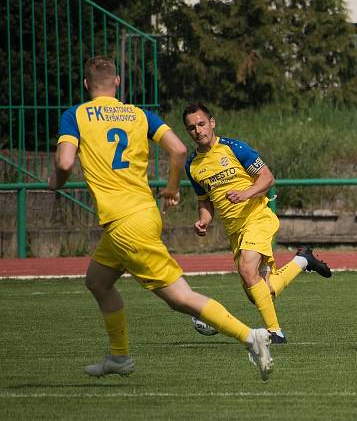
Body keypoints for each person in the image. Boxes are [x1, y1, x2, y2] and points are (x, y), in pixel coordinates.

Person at [48, 56, 273, 380]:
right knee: (97, 281)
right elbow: (179, 150)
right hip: (139, 215)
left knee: (180, 298)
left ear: (86, 85)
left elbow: (66, 162)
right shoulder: (139, 114)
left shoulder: (76, 115)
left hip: (125, 223)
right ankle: (119, 356)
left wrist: (56, 181)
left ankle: (251, 336)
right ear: (118, 83)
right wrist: (170, 188)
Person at [183, 103, 331, 344]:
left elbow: (267, 177)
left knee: (247, 269)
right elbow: (205, 201)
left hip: (257, 218)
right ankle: (303, 260)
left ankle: (275, 333)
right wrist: (204, 220)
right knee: (261, 292)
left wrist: (246, 193)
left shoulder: (234, 148)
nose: (198, 131)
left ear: (212, 122)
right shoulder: (192, 166)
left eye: (201, 124)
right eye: (191, 128)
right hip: (235, 231)